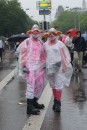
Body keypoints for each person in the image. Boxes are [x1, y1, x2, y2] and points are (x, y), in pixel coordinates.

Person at [17, 24, 46, 115]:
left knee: (39, 85)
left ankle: (34, 102)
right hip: (30, 67)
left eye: (37, 32)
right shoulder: (27, 42)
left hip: (39, 67)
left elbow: (44, 54)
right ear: (31, 32)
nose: (36, 33)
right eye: (34, 32)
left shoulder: (41, 42)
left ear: (39, 33)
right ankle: (29, 107)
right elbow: (21, 55)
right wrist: (22, 67)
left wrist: (44, 63)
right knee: (31, 86)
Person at [43, 28, 73, 112]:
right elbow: (43, 56)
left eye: (53, 33)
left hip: (59, 67)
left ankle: (58, 103)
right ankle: (55, 100)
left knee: (58, 85)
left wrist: (65, 65)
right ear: (48, 35)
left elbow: (65, 55)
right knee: (53, 85)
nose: (52, 35)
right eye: (50, 33)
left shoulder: (60, 44)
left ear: (56, 34)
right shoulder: (45, 45)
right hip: (49, 67)